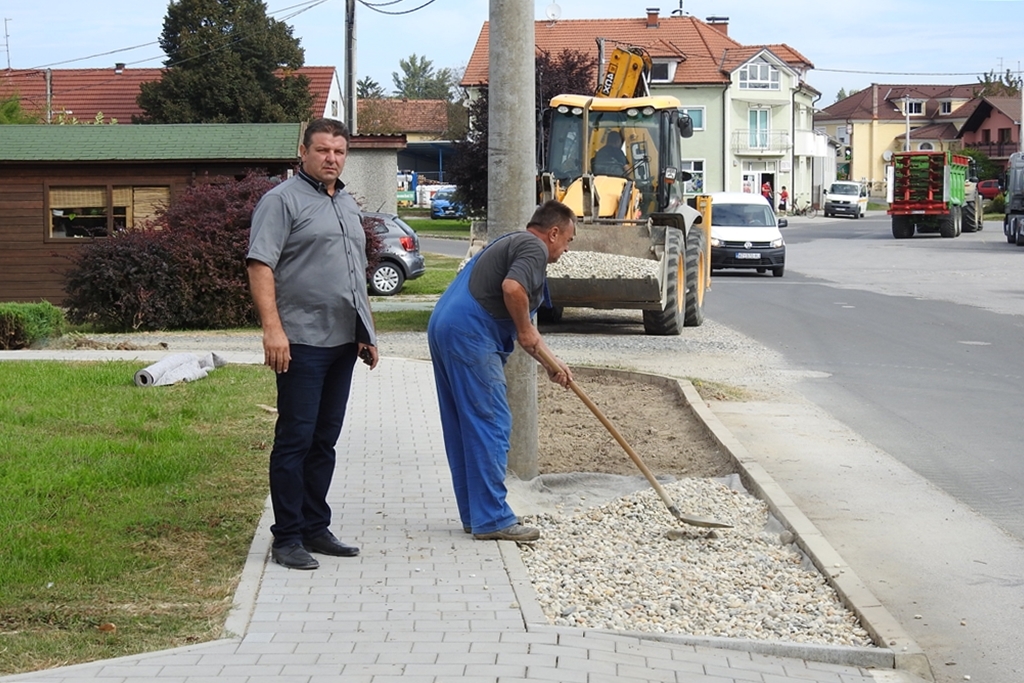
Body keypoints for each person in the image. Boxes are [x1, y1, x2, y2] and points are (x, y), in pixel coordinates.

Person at [246, 117, 379, 571]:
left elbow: (353, 270)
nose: (331, 159)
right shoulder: (280, 201)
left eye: (339, 152)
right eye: (322, 151)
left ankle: (314, 526)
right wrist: (272, 329)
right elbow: (260, 265)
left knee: (325, 440)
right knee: (295, 440)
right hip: (299, 341)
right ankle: (286, 538)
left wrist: (367, 332)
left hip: (343, 341)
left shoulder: (345, 203)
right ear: (303, 152)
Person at [428, 200, 576, 542]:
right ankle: (493, 518)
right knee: (490, 422)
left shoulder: (507, 242)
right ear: (553, 233)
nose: (565, 250)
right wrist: (525, 330)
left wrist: (553, 365)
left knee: (464, 425)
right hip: (469, 333)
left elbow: (523, 322)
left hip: (447, 327)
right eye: (567, 241)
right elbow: (513, 289)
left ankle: (476, 515)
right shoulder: (532, 247)